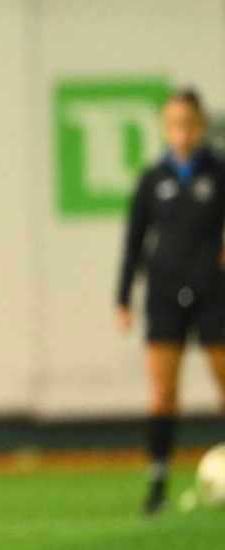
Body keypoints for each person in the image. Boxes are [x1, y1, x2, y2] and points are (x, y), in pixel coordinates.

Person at [114, 89, 225, 515]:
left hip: (214, 293)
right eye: (174, 122)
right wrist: (124, 297)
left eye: (189, 122)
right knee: (162, 393)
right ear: (166, 126)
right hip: (164, 293)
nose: (182, 131)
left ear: (201, 125)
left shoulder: (217, 171)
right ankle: (158, 481)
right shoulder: (152, 179)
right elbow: (134, 242)